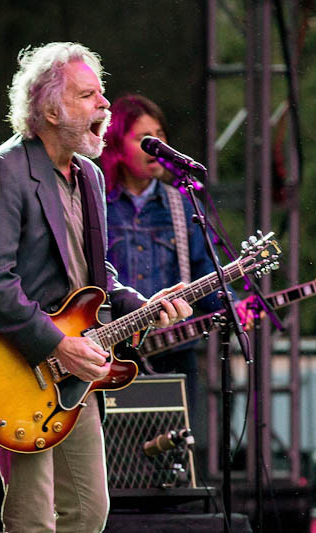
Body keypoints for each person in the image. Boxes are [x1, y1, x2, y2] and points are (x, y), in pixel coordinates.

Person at [0, 42, 192, 533]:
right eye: (89, 96)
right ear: (50, 109)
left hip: (76, 370)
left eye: (101, 95)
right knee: (32, 517)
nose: (105, 106)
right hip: (18, 364)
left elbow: (94, 274)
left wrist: (140, 304)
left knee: (90, 513)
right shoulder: (0, 171)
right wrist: (56, 345)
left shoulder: (88, 176)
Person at [100, 94, 245, 420]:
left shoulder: (182, 205)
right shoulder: (96, 204)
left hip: (173, 354)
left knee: (175, 457)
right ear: (116, 144)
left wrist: (233, 308)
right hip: (108, 356)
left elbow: (206, 270)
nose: (155, 145)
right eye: (142, 138)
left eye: (160, 136)